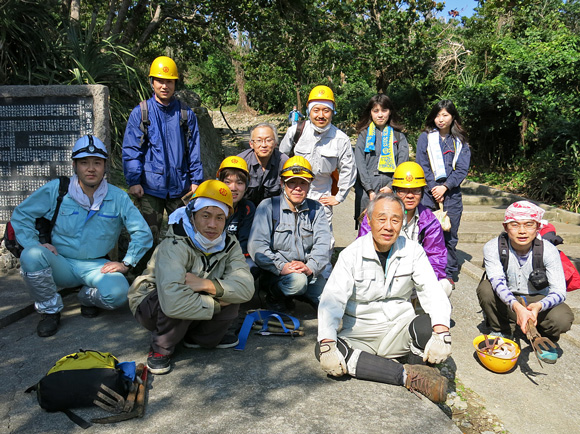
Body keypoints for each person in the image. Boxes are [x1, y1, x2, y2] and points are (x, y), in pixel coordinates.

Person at [12, 135, 153, 337]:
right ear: (75, 165)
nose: (91, 168)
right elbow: (22, 214)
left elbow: (142, 233)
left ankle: (86, 297)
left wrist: (126, 263)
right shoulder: (59, 190)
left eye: (97, 163)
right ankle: (50, 310)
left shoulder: (117, 197)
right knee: (31, 255)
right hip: (61, 262)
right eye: (84, 162)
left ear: (105, 166)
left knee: (119, 294)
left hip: (97, 266)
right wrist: (35, 243)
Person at [316, 193, 452, 403]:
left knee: (429, 325)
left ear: (403, 223)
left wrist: (442, 331)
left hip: (399, 328)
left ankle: (410, 370)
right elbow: (332, 300)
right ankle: (410, 376)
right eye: (381, 219)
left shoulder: (413, 251)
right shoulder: (351, 255)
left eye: (395, 220)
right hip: (360, 333)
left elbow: (431, 291)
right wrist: (326, 341)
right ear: (369, 221)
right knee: (324, 348)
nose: (388, 226)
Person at [128, 180, 254, 374]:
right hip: (153, 302)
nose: (212, 224)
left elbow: (246, 287)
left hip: (198, 297)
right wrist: (218, 302)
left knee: (232, 295)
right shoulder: (174, 244)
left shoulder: (230, 243)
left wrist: (207, 285)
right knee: (181, 295)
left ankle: (196, 337)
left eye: (220, 218)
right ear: (192, 215)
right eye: (206, 216)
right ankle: (161, 348)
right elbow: (172, 301)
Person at [122, 55, 203, 273]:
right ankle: (141, 279)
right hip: (149, 187)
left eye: (169, 81)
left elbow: (194, 149)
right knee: (146, 235)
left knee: (186, 233)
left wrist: (196, 180)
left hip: (181, 186)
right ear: (152, 82)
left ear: (175, 83)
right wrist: (134, 180)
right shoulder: (142, 112)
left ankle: (184, 276)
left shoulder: (185, 114)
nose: (164, 85)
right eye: (160, 80)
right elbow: (131, 149)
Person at [477, 201, 574, 364]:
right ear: (506, 227)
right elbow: (497, 282)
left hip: (537, 299)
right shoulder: (493, 247)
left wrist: (538, 307)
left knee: (563, 317)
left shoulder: (548, 250)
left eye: (529, 225)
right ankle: (502, 330)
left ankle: (544, 337)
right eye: (514, 225)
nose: (522, 231)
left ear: (537, 227)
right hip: (507, 297)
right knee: (486, 288)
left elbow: (559, 292)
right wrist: (517, 307)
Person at [248, 156, 332, 311]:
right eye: (292, 182)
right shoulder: (268, 207)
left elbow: (324, 244)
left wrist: (310, 267)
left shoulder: (317, 209)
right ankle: (274, 296)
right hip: (275, 272)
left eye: (303, 183)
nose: (298, 188)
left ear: (309, 185)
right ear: (282, 183)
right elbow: (257, 247)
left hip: (306, 271)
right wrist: (282, 267)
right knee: (298, 283)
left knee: (330, 303)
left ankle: (297, 294)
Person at [358, 162, 451, 298]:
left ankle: (427, 315)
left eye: (415, 191)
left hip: (415, 277)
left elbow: (436, 257)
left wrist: (426, 280)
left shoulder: (429, 220)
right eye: (403, 190)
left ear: (422, 192)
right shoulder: (376, 213)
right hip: (380, 274)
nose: (410, 196)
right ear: (395, 191)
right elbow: (362, 248)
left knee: (444, 285)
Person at [279, 85, 356, 226]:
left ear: (332, 112)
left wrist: (339, 197)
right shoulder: (295, 132)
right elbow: (280, 159)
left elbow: (349, 169)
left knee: (324, 238)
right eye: (316, 110)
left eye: (326, 110)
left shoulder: (341, 139)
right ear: (309, 111)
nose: (321, 115)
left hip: (322, 196)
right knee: (291, 234)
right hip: (294, 193)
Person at [416, 100, 470, 283]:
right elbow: (422, 164)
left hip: (452, 194)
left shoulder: (460, 141)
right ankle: (424, 270)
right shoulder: (425, 137)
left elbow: (462, 169)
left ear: (452, 117)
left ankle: (448, 273)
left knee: (449, 234)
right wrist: (433, 187)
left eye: (445, 115)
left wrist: (445, 187)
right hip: (428, 193)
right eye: (438, 115)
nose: (441, 119)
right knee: (425, 232)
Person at [354, 94, 409, 228]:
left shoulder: (398, 137)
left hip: (391, 190)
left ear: (390, 112)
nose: (380, 115)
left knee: (390, 227)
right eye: (375, 111)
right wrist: (370, 190)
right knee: (366, 228)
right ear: (370, 113)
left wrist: (391, 186)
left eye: (384, 110)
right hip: (367, 192)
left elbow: (402, 164)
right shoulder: (363, 135)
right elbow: (359, 164)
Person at [216, 156, 258, 277]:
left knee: (252, 267)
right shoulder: (208, 205)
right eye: (227, 182)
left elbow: (244, 243)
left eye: (239, 183)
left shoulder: (247, 208)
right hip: (206, 256)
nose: (233, 188)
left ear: (246, 186)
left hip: (234, 258)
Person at [238, 123, 289, 207]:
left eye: (268, 140)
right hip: (244, 210)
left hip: (274, 210)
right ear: (251, 144)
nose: (264, 145)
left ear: (275, 143)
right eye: (258, 140)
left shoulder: (284, 162)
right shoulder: (241, 162)